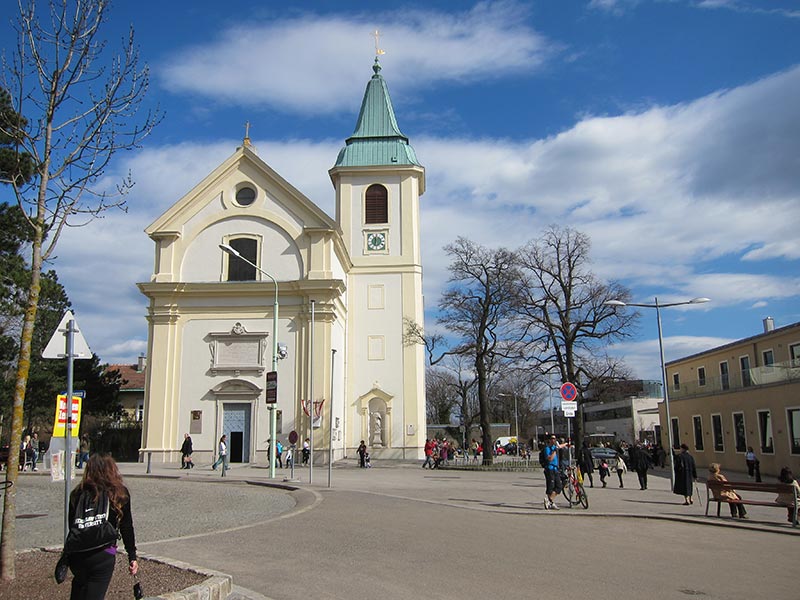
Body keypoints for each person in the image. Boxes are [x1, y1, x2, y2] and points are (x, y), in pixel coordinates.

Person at [67, 453, 138, 599]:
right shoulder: (118, 494)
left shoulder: (77, 493)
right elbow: (126, 527)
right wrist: (132, 556)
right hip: (103, 553)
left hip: (78, 553)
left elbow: (72, 525)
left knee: (79, 590)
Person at [543, 435, 568, 510]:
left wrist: (567, 443)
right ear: (549, 440)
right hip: (550, 469)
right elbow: (549, 459)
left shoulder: (555, 447)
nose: (553, 440)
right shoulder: (547, 448)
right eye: (552, 439)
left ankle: (549, 501)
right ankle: (550, 502)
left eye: (554, 439)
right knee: (550, 486)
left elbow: (560, 446)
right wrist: (554, 451)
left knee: (559, 486)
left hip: (556, 469)